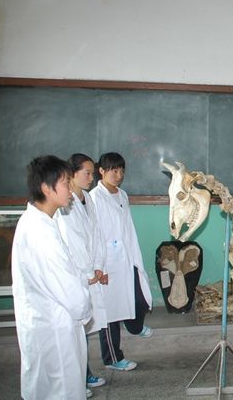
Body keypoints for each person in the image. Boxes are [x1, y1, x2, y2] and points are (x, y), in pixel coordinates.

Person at [12, 155, 91, 399]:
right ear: (47, 188)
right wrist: (84, 309)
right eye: (66, 183)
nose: (70, 189)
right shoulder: (39, 232)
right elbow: (67, 287)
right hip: (55, 327)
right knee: (62, 390)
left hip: (49, 323)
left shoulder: (42, 222)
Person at [90, 152, 153, 371]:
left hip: (127, 256)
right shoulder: (95, 198)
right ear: (101, 171)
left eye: (121, 171)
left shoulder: (122, 194)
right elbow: (96, 234)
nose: (119, 175)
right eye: (114, 171)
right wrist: (100, 266)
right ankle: (113, 358)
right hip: (108, 262)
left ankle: (135, 326)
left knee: (139, 297)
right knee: (110, 313)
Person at [55, 154, 108, 391]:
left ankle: (84, 376)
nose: (91, 177)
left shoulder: (87, 199)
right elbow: (73, 242)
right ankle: (78, 379)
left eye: (92, 173)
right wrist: (88, 271)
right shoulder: (66, 205)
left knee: (83, 328)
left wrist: (98, 265)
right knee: (75, 329)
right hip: (77, 273)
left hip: (91, 272)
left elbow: (97, 235)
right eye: (87, 173)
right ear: (72, 174)